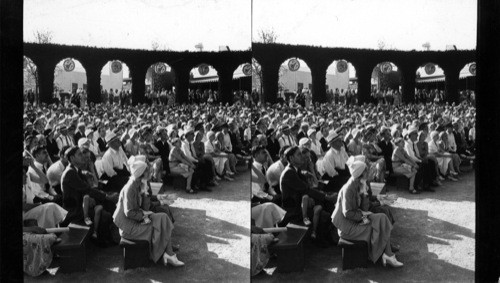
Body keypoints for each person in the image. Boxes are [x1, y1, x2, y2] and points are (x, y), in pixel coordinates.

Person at [331, 156, 403, 267]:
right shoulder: (349, 188)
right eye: (366, 170)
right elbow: (348, 213)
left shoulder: (359, 183)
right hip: (347, 226)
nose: (369, 171)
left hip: (356, 219)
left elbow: (365, 207)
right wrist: (364, 216)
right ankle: (387, 254)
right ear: (361, 174)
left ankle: (387, 253)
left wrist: (368, 195)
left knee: (382, 218)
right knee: (378, 225)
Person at [113, 156, 184, 267]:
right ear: (142, 173)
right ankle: (169, 253)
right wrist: (145, 215)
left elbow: (146, 207)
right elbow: (129, 213)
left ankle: (168, 252)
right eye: (147, 170)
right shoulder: (130, 188)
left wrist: (145, 191)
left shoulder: (139, 184)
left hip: (137, 218)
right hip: (129, 226)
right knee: (159, 225)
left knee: (163, 217)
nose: (150, 172)